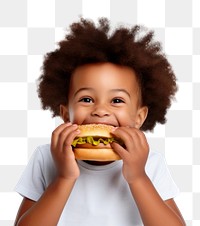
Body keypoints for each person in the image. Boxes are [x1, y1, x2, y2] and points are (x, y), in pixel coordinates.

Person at [14, 18, 186, 226]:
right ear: (66, 114)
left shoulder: (150, 162)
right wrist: (63, 178)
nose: (101, 111)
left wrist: (138, 177)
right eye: (86, 99)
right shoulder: (46, 157)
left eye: (116, 100)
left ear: (139, 117)